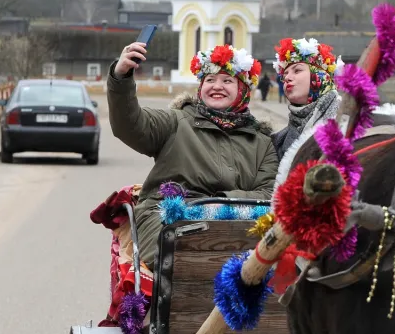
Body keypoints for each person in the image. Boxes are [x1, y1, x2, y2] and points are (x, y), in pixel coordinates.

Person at [107, 41, 279, 270]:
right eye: (210, 80)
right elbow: (129, 124)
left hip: (236, 223)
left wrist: (218, 205)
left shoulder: (262, 142)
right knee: (178, 262)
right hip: (168, 217)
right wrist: (121, 78)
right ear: (201, 87)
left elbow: (268, 192)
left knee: (263, 267)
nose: (217, 86)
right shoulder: (176, 122)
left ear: (243, 91)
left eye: (227, 81)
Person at [269, 37, 345, 189]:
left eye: (297, 70)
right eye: (284, 75)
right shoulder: (279, 139)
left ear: (320, 76)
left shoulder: (345, 124)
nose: (287, 78)